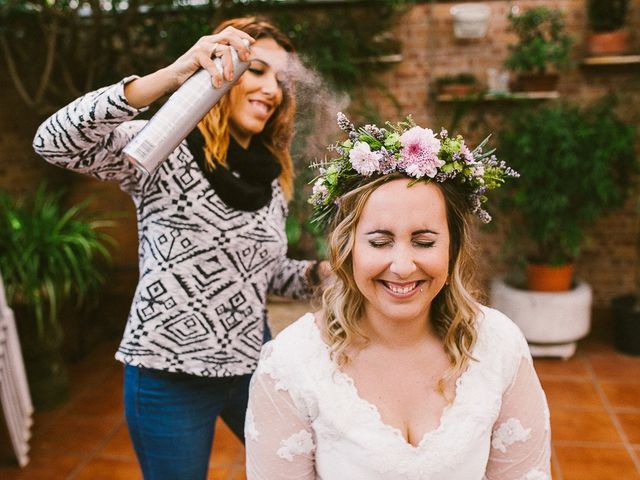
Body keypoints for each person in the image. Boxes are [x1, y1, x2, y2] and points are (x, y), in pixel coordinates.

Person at [33, 16, 329, 480]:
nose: (272, 89)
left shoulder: (271, 178)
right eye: (256, 69)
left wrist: (324, 274)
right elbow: (53, 142)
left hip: (254, 369)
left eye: (281, 79)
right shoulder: (163, 146)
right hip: (168, 379)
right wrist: (175, 72)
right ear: (222, 71)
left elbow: (261, 274)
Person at [245, 114, 551, 479]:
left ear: (452, 249)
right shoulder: (292, 362)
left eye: (424, 242)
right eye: (379, 242)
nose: (403, 266)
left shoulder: (499, 344)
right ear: (348, 248)